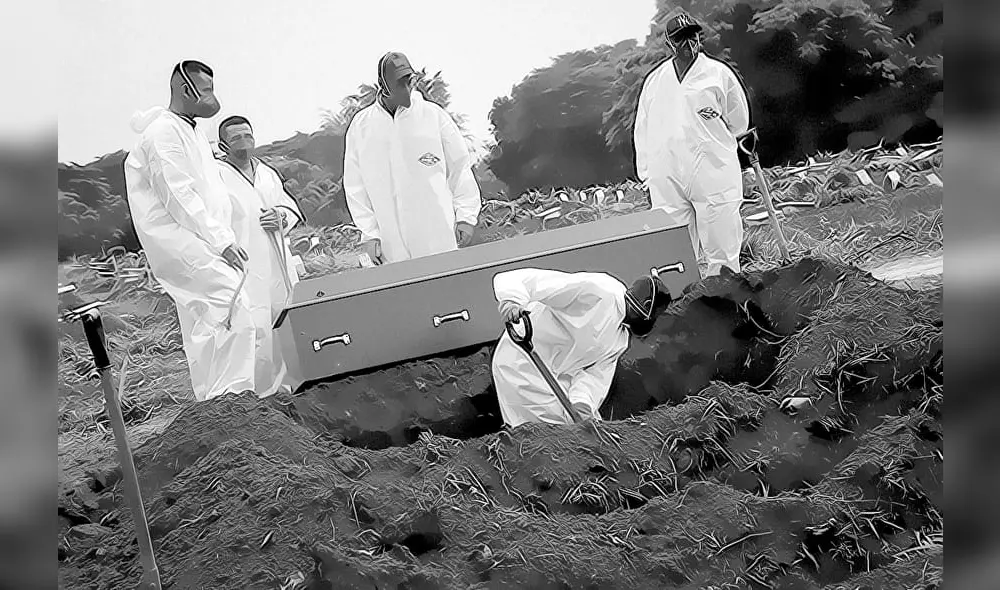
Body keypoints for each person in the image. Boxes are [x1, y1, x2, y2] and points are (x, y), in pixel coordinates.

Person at [123, 60, 257, 402]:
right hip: (182, 240)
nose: (212, 97)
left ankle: (212, 401)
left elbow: (207, 193)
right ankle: (233, 397)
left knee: (205, 321)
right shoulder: (163, 134)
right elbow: (179, 196)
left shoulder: (190, 130)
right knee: (231, 302)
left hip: (201, 239)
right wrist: (222, 241)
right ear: (186, 89)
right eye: (206, 89)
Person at [633, 12, 752, 277]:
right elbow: (642, 131)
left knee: (722, 245)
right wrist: (647, 176)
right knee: (675, 252)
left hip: (712, 170)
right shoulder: (655, 82)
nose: (688, 43)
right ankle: (684, 298)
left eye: (692, 36)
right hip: (667, 176)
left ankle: (724, 296)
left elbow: (739, 122)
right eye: (681, 38)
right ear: (669, 43)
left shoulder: (719, 75)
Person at [343, 51, 482, 265]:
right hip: (390, 246)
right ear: (384, 86)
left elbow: (460, 167)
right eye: (399, 83)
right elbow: (355, 186)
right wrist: (370, 234)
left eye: (409, 81)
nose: (407, 89)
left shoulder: (433, 116)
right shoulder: (361, 127)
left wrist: (466, 216)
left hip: (438, 237)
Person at [491, 268, 673, 427]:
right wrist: (512, 300)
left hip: (557, 376)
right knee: (550, 434)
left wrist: (583, 404)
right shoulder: (600, 290)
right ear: (645, 310)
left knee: (580, 428)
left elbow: (594, 377)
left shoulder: (620, 338)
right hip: (521, 362)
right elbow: (535, 281)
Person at [217, 115, 306, 397]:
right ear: (223, 145)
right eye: (236, 138)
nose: (244, 143)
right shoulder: (217, 177)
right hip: (245, 265)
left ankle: (294, 385)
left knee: (286, 320)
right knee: (256, 330)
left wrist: (281, 217)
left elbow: (288, 207)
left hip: (278, 261)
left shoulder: (266, 173)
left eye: (248, 136)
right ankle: (262, 394)